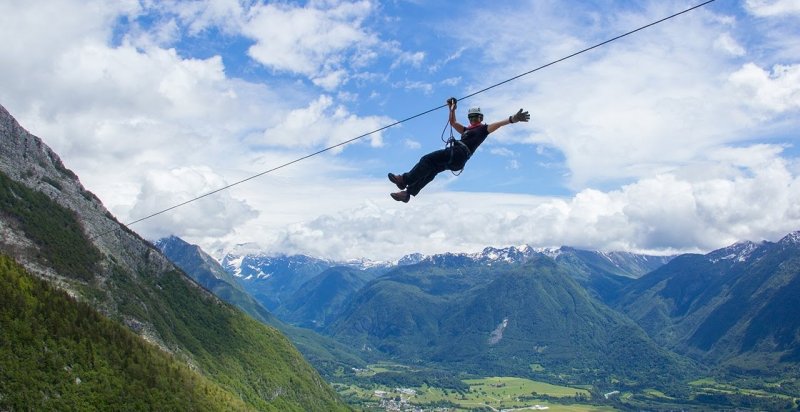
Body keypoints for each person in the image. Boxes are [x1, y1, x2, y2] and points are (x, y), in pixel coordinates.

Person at [388, 98, 530, 202]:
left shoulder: (483, 129)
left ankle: (404, 179)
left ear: (481, 118)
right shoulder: (465, 130)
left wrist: (513, 119)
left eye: (476, 117)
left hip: (459, 153)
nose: (474, 120)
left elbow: (498, 124)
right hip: (457, 160)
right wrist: (452, 109)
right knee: (431, 170)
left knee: (427, 159)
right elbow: (453, 123)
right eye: (471, 117)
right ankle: (407, 193)